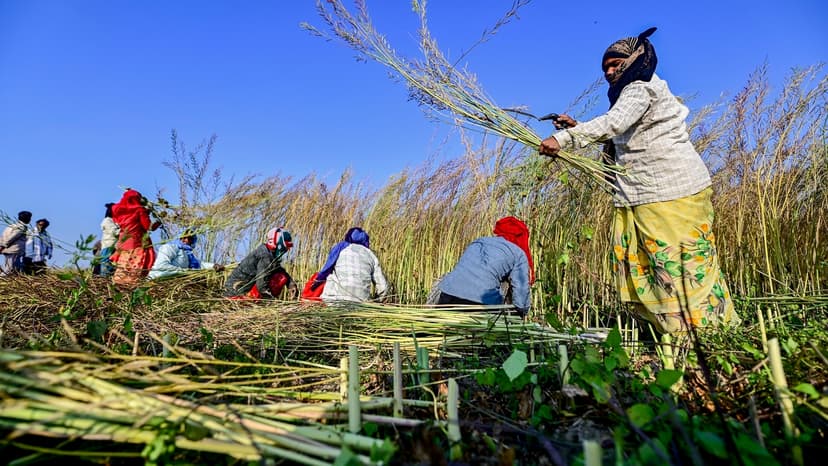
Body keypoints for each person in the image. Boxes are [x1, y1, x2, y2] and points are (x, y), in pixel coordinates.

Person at [538, 27, 738, 335]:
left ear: (635, 60)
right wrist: (577, 127)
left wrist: (564, 139)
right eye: (605, 67)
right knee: (663, 263)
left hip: (669, 191)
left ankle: (701, 333)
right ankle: (683, 331)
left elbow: (614, 123)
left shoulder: (640, 88)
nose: (609, 71)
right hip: (654, 192)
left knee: (678, 264)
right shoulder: (634, 92)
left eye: (615, 64)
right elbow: (622, 129)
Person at [434, 216, 533, 316]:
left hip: (448, 293)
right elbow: (521, 290)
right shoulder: (518, 253)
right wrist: (521, 312)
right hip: (481, 302)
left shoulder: (478, 242)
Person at [311, 227, 388, 303]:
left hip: (335, 301)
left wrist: (315, 284)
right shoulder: (371, 255)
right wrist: (377, 301)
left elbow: (325, 271)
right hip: (362, 304)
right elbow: (383, 287)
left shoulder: (340, 249)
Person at [224, 227, 298, 299]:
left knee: (281, 275)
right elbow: (261, 286)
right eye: (286, 246)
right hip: (235, 292)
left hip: (240, 289)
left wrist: (291, 284)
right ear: (279, 243)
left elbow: (279, 270)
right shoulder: (265, 257)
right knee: (279, 277)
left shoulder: (268, 253)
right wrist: (271, 301)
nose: (287, 249)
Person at [110, 189, 160, 287]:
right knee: (135, 268)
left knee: (123, 267)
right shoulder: (139, 210)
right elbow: (148, 227)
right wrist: (158, 223)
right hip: (138, 243)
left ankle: (119, 285)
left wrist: (146, 212)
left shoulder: (120, 211)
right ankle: (131, 286)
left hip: (124, 243)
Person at [148, 229, 224, 279]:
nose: (186, 240)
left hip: (173, 281)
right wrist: (185, 272)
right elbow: (161, 266)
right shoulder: (169, 248)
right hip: (157, 279)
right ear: (179, 237)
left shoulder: (188, 255)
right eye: (184, 237)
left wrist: (213, 266)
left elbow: (200, 264)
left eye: (189, 238)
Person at [0, 211, 32, 276]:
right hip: (14, 250)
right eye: (29, 218)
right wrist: (2, 246)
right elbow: (12, 237)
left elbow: (3, 236)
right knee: (9, 269)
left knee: (16, 269)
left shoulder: (11, 226)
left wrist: (1, 245)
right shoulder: (22, 227)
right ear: (27, 218)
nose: (30, 220)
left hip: (8, 250)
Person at [95, 203, 120, 277]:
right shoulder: (107, 221)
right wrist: (126, 229)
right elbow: (114, 232)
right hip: (108, 245)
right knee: (106, 263)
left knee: (112, 264)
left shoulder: (113, 221)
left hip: (113, 245)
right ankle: (105, 278)